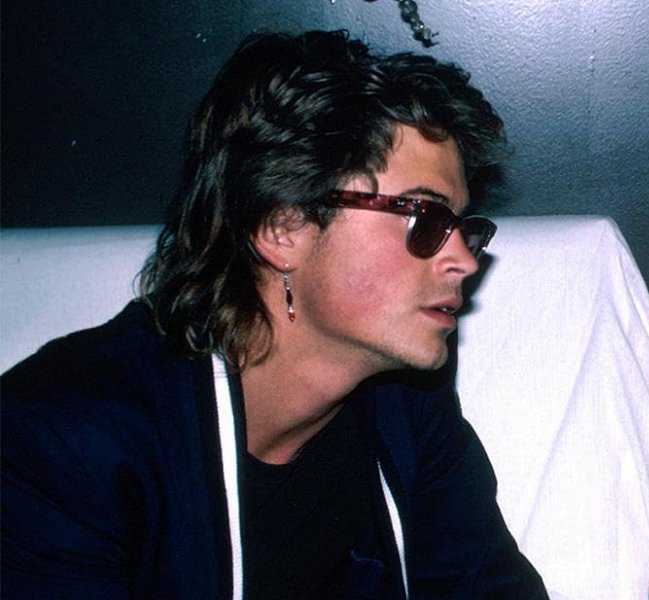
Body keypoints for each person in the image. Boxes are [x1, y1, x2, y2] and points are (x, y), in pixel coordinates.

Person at [2, 30, 548, 599]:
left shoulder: (406, 404)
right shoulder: (59, 445)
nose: (464, 260)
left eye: (463, 228)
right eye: (426, 218)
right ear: (281, 227)